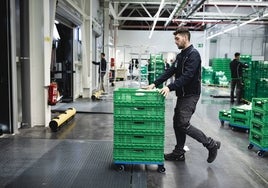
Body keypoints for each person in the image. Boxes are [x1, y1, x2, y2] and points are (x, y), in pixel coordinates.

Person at [143, 27, 221, 163]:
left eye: (177, 38)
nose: (175, 41)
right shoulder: (180, 55)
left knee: (183, 124)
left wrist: (169, 87)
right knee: (177, 123)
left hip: (190, 95)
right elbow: (170, 71)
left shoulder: (194, 54)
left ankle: (210, 144)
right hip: (182, 95)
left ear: (185, 37)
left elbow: (188, 76)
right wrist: (155, 83)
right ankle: (179, 152)